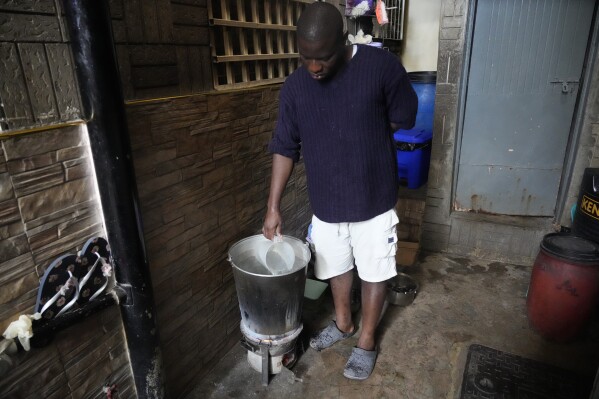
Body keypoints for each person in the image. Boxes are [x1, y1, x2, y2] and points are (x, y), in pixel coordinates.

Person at [262, 2, 417, 380]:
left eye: (324, 58)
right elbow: (285, 146)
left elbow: (404, 114)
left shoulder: (380, 68)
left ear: (344, 41)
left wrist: (364, 137)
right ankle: (344, 323)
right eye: (306, 58)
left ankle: (366, 340)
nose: (314, 67)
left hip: (374, 198)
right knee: (335, 266)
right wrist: (273, 206)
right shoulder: (296, 87)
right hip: (327, 202)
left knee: (376, 269)